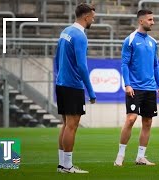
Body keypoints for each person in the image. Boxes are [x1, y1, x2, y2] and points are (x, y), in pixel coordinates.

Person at [114, 9, 159, 166]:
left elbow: (156, 65)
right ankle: (120, 155)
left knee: (147, 122)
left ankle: (140, 157)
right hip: (135, 88)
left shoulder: (153, 42)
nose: (152, 22)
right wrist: (127, 84)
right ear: (141, 21)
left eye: (153, 19)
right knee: (131, 119)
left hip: (150, 89)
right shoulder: (130, 40)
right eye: (150, 19)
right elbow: (124, 64)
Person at [54, 3, 96, 173]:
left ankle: (61, 164)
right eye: (93, 17)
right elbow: (82, 66)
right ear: (86, 17)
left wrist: (60, 76)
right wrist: (91, 91)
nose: (93, 20)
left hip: (62, 83)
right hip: (72, 86)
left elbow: (56, 58)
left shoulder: (65, 31)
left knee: (65, 125)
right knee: (72, 125)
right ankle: (67, 166)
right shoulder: (80, 36)